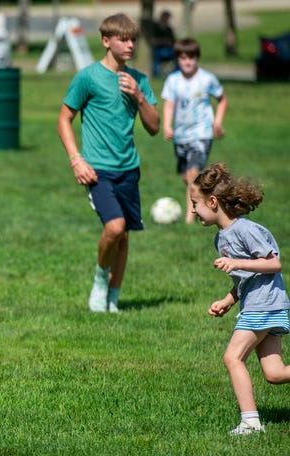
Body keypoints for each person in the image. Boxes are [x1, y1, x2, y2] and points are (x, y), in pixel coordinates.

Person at [57, 13, 160, 313]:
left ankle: (113, 299)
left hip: (129, 168)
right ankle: (100, 281)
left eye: (133, 40)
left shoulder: (138, 79)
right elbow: (64, 119)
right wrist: (76, 160)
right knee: (114, 228)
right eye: (123, 39)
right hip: (97, 169)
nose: (130, 45)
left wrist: (140, 97)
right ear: (106, 41)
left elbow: (154, 127)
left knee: (124, 236)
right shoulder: (88, 77)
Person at [190, 162, 290, 435]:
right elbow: (245, 278)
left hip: (264, 305)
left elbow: (273, 264)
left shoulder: (245, 229)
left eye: (195, 203)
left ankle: (250, 422)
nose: (192, 210)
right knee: (275, 373)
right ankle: (251, 421)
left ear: (212, 202)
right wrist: (228, 299)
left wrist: (236, 262)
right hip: (263, 305)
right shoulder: (221, 238)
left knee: (232, 358)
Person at [161, 38, 228, 224]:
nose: (187, 61)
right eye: (183, 58)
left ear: (197, 58)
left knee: (192, 174)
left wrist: (218, 123)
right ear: (177, 59)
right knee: (187, 178)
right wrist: (167, 126)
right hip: (181, 136)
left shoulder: (207, 79)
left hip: (201, 134)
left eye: (191, 57)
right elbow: (169, 104)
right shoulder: (173, 80)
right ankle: (208, 195)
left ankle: (189, 218)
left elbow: (222, 99)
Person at [151, 10, 176, 77]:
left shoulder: (169, 29)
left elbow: (173, 41)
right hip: (157, 49)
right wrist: (163, 41)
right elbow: (152, 41)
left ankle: (177, 71)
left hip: (168, 49)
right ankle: (156, 73)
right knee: (156, 55)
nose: (167, 20)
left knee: (177, 54)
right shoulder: (155, 28)